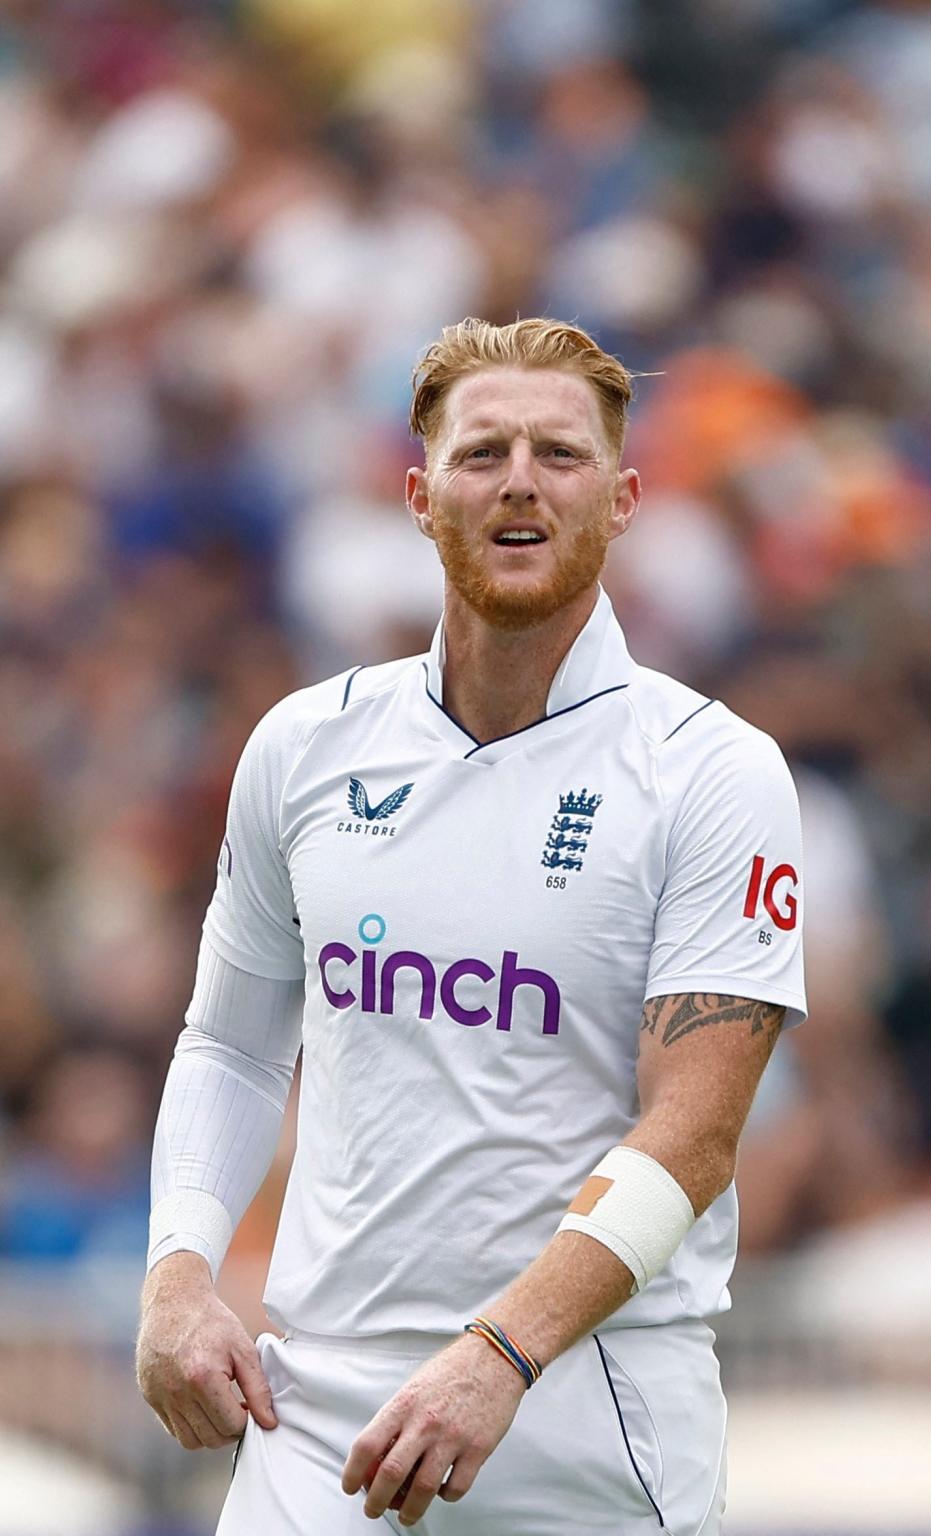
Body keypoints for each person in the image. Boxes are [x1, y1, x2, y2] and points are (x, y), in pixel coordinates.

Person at [136, 317, 805, 1535]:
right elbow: (232, 1046)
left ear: (624, 498)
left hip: (583, 1412)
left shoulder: (712, 771)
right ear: (418, 494)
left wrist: (501, 1350)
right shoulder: (303, 746)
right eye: (481, 450)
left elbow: (695, 1135)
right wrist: (179, 1270)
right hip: (320, 1415)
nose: (518, 482)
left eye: (559, 454)